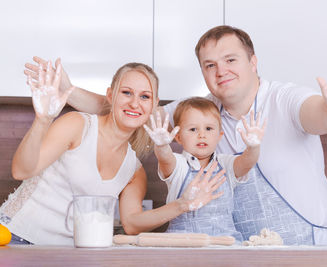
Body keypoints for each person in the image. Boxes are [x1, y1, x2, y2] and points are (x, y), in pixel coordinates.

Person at [23, 25, 327, 245]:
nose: (221, 71)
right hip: (244, 247)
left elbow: (323, 116)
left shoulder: (286, 99)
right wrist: (68, 92)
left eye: (230, 59)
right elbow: (131, 108)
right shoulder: (200, 112)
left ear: (253, 61)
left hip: (304, 246)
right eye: (210, 65)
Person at [0, 61, 225, 245]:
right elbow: (22, 170)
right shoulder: (78, 125)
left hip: (69, 252)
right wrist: (43, 120)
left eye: (145, 97)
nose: (135, 103)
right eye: (126, 93)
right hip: (15, 237)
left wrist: (183, 204)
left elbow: (132, 223)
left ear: (154, 105)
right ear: (110, 95)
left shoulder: (133, 170)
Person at [143, 97, 266, 241]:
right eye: (193, 129)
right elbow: (165, 159)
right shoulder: (179, 164)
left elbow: (246, 163)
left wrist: (253, 147)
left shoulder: (225, 164)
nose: (202, 134)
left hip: (224, 244)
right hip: (182, 245)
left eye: (209, 128)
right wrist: (162, 146)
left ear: (219, 135)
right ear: (179, 137)